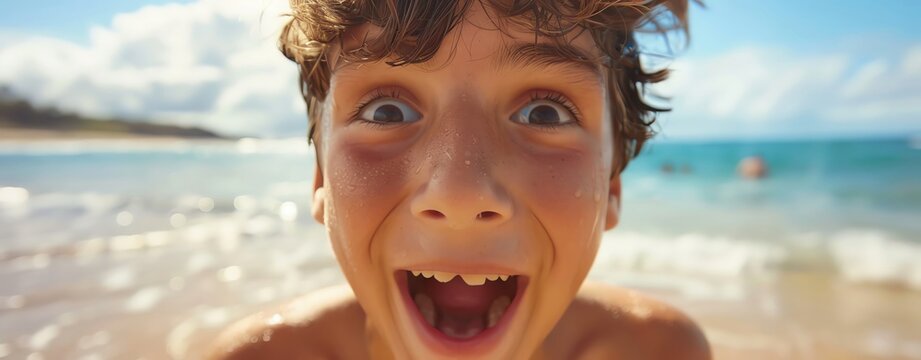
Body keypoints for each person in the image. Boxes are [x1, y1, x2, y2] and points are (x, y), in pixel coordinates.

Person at [208, 0, 711, 358]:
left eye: (544, 114)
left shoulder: (658, 351)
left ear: (613, 185)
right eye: (386, 112)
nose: (460, 194)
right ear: (321, 177)